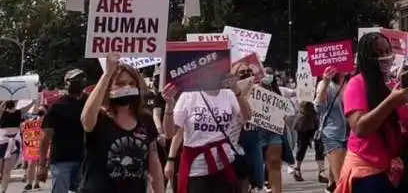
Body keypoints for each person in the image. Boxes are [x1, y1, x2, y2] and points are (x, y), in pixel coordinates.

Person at [336, 32, 408, 193]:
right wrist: (390, 102)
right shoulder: (357, 84)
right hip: (368, 172)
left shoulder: (393, 83)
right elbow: (360, 128)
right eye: (378, 54)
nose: (385, 57)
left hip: (394, 169)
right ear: (367, 58)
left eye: (387, 52)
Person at [79, 54, 165, 193]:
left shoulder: (145, 119)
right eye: (120, 83)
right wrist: (107, 74)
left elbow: (154, 165)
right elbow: (86, 119)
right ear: (109, 88)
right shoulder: (100, 117)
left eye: (132, 84)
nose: (127, 87)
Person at [164, 74, 252, 193]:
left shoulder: (228, 94)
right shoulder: (188, 96)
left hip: (224, 164)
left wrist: (236, 89)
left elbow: (247, 116)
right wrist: (169, 104)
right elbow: (170, 133)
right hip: (197, 168)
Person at [39, 69, 87, 193]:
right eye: (74, 81)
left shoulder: (90, 103)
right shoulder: (57, 107)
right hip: (62, 160)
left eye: (80, 80)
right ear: (66, 83)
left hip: (85, 158)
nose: (78, 83)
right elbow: (46, 137)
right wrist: (42, 166)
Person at [315, 67, 348, 192]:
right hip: (332, 134)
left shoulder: (352, 83)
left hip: (351, 135)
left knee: (347, 176)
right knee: (341, 178)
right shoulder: (325, 84)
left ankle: (331, 185)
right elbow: (319, 108)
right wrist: (325, 84)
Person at [1, 99, 33, 193]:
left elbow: (30, 105)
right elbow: (30, 105)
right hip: (3, 142)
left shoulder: (19, 112)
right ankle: (3, 189)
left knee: (7, 170)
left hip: (13, 142)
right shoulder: (3, 112)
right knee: (4, 170)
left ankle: (3, 190)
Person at [21, 106, 45, 191]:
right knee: (31, 164)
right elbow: (22, 130)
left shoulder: (44, 121)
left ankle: (37, 183)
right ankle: (29, 184)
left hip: (41, 144)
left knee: (39, 164)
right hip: (31, 146)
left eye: (40, 113)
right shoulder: (27, 122)